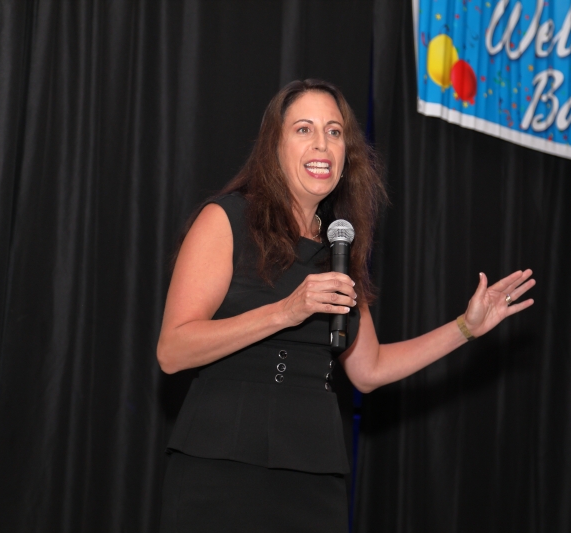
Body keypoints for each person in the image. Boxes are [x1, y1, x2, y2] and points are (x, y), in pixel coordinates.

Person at [156, 79, 535, 532]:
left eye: (334, 132)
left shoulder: (340, 246)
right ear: (274, 146)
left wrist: (465, 327)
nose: (322, 144)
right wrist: (285, 312)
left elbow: (369, 369)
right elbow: (173, 351)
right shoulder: (227, 219)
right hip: (222, 463)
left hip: (313, 472)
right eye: (304, 129)